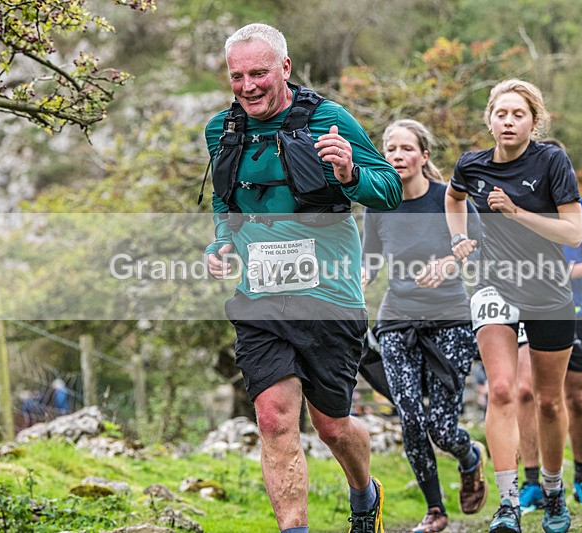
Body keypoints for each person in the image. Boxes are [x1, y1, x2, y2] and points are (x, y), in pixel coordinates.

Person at [203, 24, 402, 533]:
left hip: (329, 295)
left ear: (285, 68)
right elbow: (225, 204)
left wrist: (350, 174)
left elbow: (391, 189)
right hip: (261, 297)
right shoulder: (223, 131)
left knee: (332, 425)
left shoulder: (328, 120)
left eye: (259, 73)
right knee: (272, 416)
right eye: (237, 75)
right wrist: (220, 244)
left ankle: (365, 492)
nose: (247, 86)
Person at [446, 79, 582, 533]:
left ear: (534, 121)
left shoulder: (552, 162)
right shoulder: (471, 165)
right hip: (493, 285)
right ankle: (507, 506)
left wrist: (516, 213)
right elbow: (453, 197)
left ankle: (553, 488)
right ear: (489, 119)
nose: (508, 121)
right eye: (501, 114)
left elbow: (573, 234)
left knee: (547, 401)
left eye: (518, 114)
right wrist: (459, 237)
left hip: (547, 290)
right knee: (502, 390)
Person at [361, 119, 486, 533]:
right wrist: (357, 279)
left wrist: (450, 260)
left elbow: (477, 243)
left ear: (424, 155)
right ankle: (435, 511)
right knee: (411, 419)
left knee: (443, 428)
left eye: (406, 148)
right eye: (390, 149)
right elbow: (370, 258)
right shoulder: (378, 205)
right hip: (397, 320)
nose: (397, 155)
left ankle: (470, 457)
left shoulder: (447, 199)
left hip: (449, 317)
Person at [515, 138, 582, 512]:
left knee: (574, 396)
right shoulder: (515, 207)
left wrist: (567, 270)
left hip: (574, 311)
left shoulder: (581, 209)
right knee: (527, 391)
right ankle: (531, 484)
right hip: (526, 310)